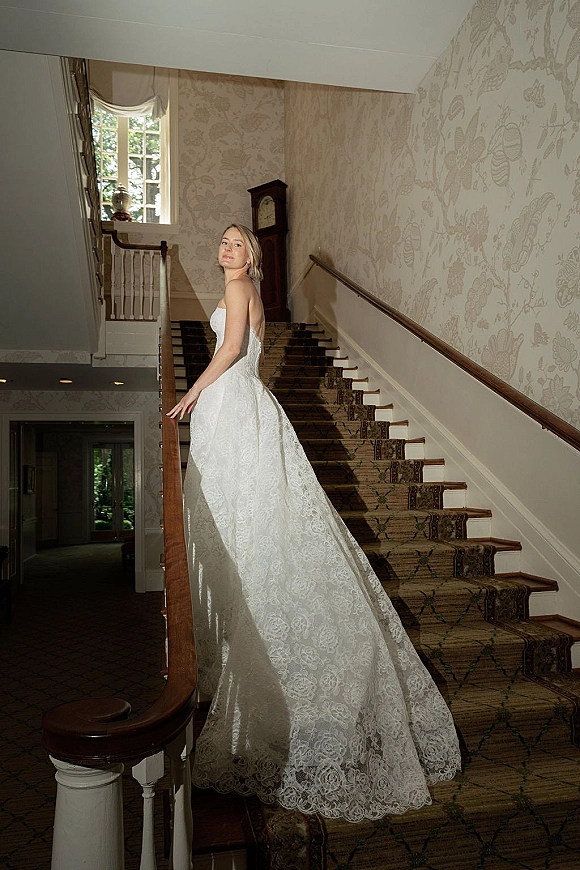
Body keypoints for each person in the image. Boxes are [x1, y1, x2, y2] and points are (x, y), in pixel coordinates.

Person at [168, 223, 461, 822]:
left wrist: (194, 391)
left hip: (232, 402)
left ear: (251, 254)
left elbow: (230, 354)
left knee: (253, 528)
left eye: (235, 243)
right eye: (221, 243)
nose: (226, 250)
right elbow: (249, 352)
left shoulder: (241, 288)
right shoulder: (240, 290)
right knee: (234, 522)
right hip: (238, 406)